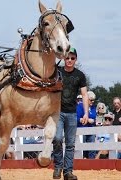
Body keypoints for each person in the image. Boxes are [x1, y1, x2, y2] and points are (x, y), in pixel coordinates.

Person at [52, 47, 89, 180]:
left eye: (72, 58)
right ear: (63, 58)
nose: (69, 60)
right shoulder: (57, 72)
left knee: (70, 144)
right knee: (56, 139)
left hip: (72, 113)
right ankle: (58, 167)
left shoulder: (80, 75)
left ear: (75, 60)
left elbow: (84, 95)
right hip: (58, 112)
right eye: (67, 57)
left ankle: (68, 172)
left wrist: (86, 113)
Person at [76, 91, 97, 159]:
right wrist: (87, 120)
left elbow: (94, 117)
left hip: (91, 129)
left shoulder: (93, 107)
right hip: (81, 129)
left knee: (92, 145)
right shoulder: (80, 106)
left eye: (93, 100)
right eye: (91, 100)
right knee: (83, 145)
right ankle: (83, 159)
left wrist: (88, 119)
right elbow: (77, 118)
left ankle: (92, 160)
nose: (92, 101)